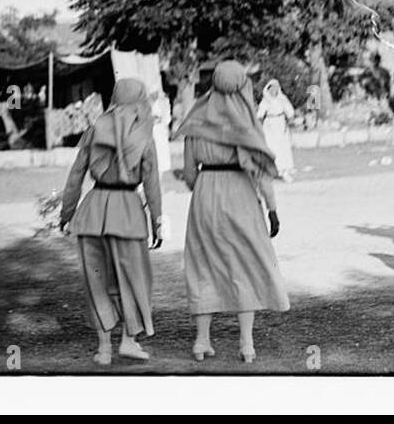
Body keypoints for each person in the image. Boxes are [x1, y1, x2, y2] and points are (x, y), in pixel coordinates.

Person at [175, 61, 290, 363]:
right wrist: (272, 209)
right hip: (239, 192)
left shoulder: (197, 119)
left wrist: (204, 189)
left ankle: (201, 341)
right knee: (245, 262)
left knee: (203, 263)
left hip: (205, 192)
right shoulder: (245, 123)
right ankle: (246, 343)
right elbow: (261, 173)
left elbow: (188, 173)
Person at [58, 77, 164, 366]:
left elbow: (76, 176)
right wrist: (157, 220)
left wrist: (66, 213)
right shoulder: (144, 136)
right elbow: (152, 183)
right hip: (128, 212)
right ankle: (129, 341)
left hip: (93, 211)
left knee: (97, 280)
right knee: (132, 279)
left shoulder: (94, 129)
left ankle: (104, 348)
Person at [257, 78, 297, 182]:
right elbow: (260, 114)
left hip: (280, 124)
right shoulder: (266, 101)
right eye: (272, 88)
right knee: (271, 147)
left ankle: (284, 170)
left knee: (282, 147)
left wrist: (290, 120)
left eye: (275, 88)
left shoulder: (282, 99)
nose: (273, 90)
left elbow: (289, 111)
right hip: (269, 125)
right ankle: (272, 170)